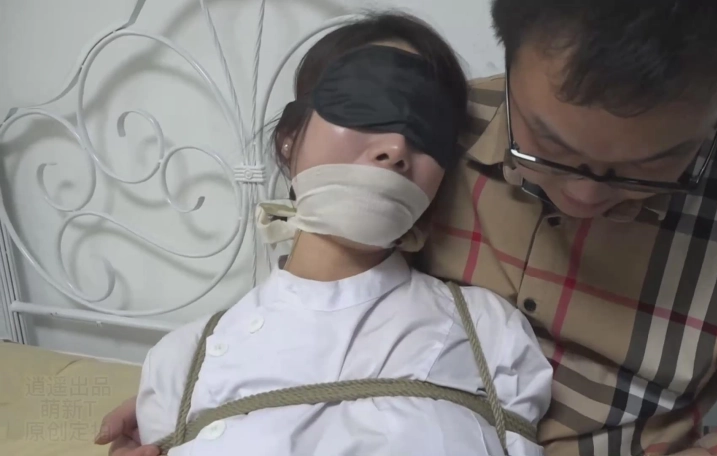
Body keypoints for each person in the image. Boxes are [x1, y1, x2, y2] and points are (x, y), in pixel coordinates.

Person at [97, 1, 717, 455]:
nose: (584, 194)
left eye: (650, 167)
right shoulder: (428, 131)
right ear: (509, 56)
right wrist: (215, 399)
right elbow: (330, 281)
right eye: (547, 146)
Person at [131, 12, 552, 456]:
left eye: (428, 127)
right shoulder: (181, 364)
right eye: (366, 104)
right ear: (289, 138)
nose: (396, 148)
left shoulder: (490, 333)